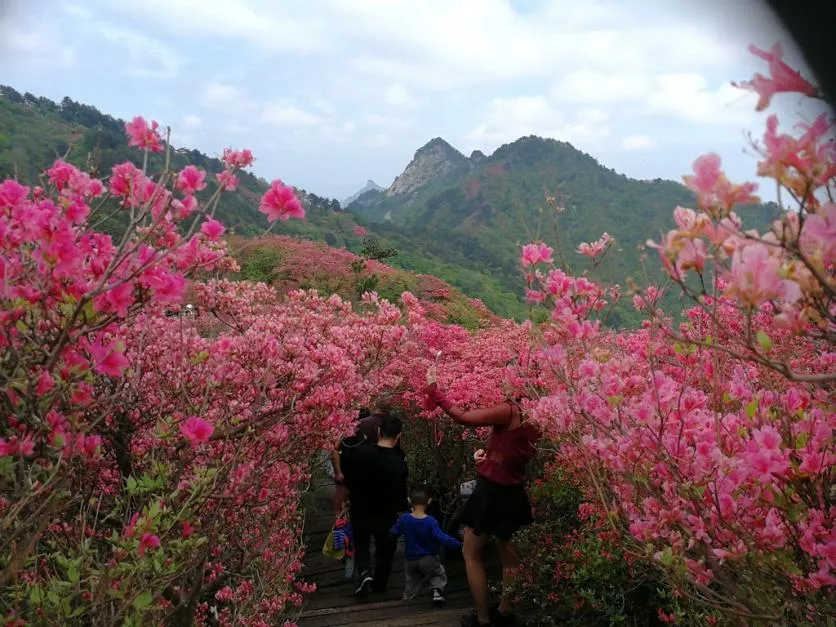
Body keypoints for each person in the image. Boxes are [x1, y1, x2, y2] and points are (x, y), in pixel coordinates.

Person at [425, 365, 540, 627]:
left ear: (520, 384)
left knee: (471, 553)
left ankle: (483, 619)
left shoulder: (510, 409)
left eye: (508, 379)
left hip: (490, 492)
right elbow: (514, 454)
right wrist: (487, 460)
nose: (503, 384)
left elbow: (462, 416)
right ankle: (505, 610)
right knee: (509, 556)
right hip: (513, 490)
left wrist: (435, 391)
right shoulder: (536, 416)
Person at [342, 415, 409, 597]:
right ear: (398, 436)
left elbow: (348, 477)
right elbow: (401, 495)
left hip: (361, 506)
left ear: (379, 431)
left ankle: (364, 573)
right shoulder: (398, 463)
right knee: (385, 549)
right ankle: (379, 584)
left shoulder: (360, 454)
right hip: (387, 513)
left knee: (361, 542)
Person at [390, 486, 463, 606]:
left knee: (411, 581)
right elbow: (441, 537)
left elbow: (394, 532)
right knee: (437, 574)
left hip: (410, 559)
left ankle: (408, 600)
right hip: (428, 557)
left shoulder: (405, 519)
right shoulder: (431, 521)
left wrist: (391, 535)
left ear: (409, 501)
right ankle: (438, 592)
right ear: (429, 501)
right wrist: (458, 544)